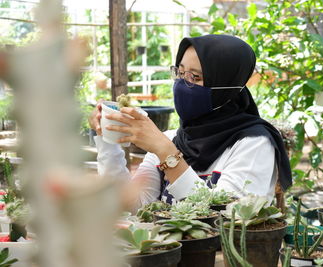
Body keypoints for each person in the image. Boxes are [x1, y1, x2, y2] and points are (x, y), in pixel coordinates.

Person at [89, 34, 292, 212]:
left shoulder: (253, 144)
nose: (182, 84)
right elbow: (133, 206)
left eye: (195, 77)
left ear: (226, 87)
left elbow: (226, 220)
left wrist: (168, 154)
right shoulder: (173, 139)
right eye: (180, 72)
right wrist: (107, 139)